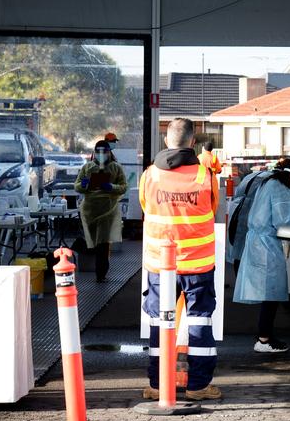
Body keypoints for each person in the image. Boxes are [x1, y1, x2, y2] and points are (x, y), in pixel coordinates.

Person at [139, 118, 221, 401]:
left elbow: (144, 206)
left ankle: (156, 384)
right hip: (197, 263)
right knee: (200, 322)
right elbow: (213, 208)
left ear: (166, 141)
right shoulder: (204, 176)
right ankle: (198, 386)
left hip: (160, 264)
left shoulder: (150, 175)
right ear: (192, 143)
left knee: (160, 322)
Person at [233, 158, 290, 353]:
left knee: (270, 295)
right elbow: (284, 222)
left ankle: (264, 336)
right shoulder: (280, 190)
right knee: (271, 295)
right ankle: (264, 339)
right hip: (266, 246)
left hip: (260, 243)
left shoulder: (269, 182)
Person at [74, 141, 127, 282]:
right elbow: (77, 186)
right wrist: (83, 185)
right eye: (99, 152)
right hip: (89, 210)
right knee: (90, 242)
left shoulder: (116, 168)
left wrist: (111, 187)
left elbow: (123, 187)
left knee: (103, 244)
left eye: (105, 152)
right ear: (94, 152)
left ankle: (101, 274)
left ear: (110, 152)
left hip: (107, 211)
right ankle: (89, 266)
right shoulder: (87, 167)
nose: (102, 155)